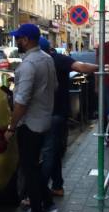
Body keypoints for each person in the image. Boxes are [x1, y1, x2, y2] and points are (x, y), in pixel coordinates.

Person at [4, 24, 58, 212]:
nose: (17, 42)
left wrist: (11, 127)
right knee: (33, 166)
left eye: (18, 39)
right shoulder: (47, 59)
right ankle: (49, 203)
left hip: (30, 124)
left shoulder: (28, 65)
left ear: (26, 40)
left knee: (30, 169)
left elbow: (21, 102)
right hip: (44, 119)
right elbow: (53, 88)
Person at [38, 37, 100, 198]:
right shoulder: (57, 59)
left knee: (49, 153)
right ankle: (54, 187)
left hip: (48, 114)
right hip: (58, 113)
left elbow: (81, 67)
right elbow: (81, 67)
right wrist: (101, 67)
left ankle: (42, 192)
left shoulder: (44, 61)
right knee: (54, 152)